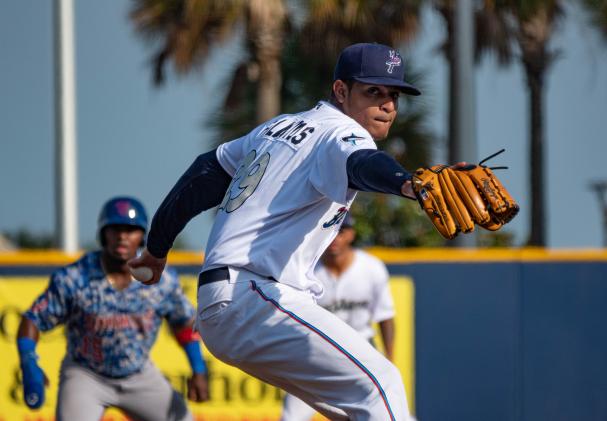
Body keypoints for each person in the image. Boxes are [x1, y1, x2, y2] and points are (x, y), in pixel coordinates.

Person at [131, 42, 421, 420]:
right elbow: (361, 163)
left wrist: (156, 248)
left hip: (234, 299)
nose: (387, 105)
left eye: (394, 95)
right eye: (374, 92)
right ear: (340, 91)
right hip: (252, 293)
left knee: (356, 407)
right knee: (379, 383)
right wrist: (406, 183)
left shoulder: (278, 126)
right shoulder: (342, 132)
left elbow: (205, 172)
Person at [16, 196, 209, 421]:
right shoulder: (75, 277)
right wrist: (29, 362)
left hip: (139, 375)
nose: (122, 236)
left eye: (131, 229)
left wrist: (198, 367)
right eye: (115, 228)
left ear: (142, 236)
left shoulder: (161, 279)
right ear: (104, 233)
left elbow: (183, 322)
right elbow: (32, 320)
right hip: (86, 375)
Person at [281, 214, 397, 421]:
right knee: (291, 417)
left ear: (351, 234)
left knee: (386, 413)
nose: (334, 237)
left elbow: (385, 317)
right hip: (314, 357)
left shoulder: (371, 267)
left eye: (340, 231)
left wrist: (389, 359)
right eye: (330, 230)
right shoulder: (304, 269)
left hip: (360, 352)